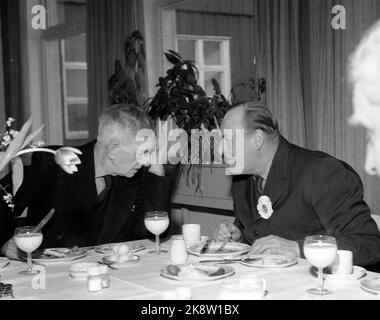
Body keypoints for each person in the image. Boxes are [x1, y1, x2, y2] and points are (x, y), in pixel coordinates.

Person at [213, 102, 380, 267]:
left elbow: (370, 244)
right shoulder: (242, 179)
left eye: (227, 140)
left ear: (257, 139)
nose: (220, 150)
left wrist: (298, 248)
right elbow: (257, 233)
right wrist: (238, 237)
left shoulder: (322, 171)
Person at [1, 104, 175, 256]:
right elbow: (4, 201)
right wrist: (3, 244)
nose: (146, 161)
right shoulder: (54, 163)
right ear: (113, 150)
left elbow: (153, 233)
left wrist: (157, 168)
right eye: (142, 152)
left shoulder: (131, 175)